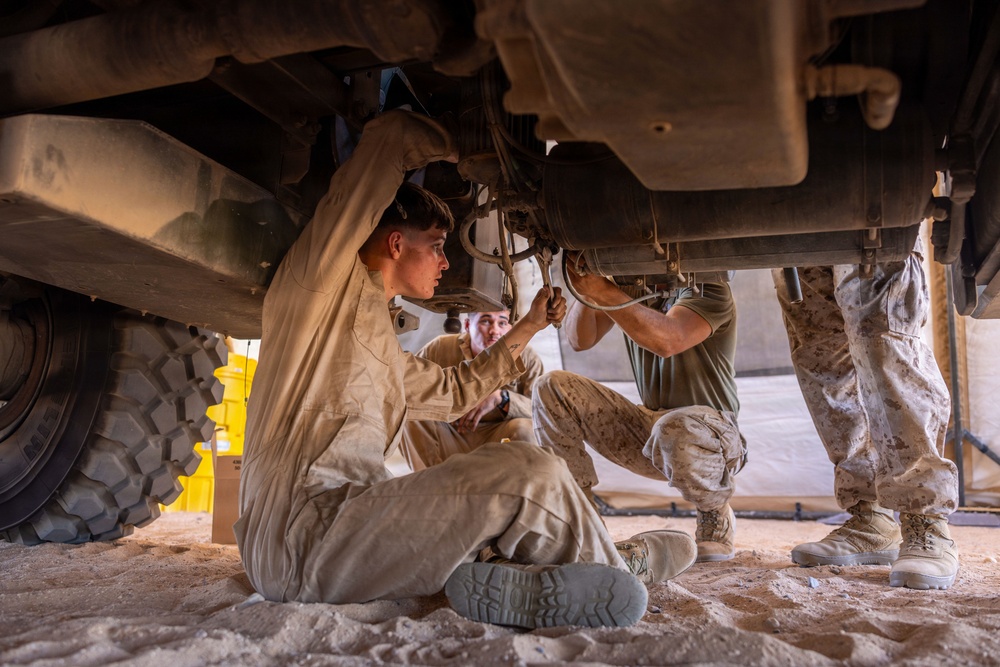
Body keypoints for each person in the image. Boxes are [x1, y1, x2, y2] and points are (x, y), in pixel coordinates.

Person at [233, 109, 697, 630]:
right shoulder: (317, 291)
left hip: (345, 528)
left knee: (514, 481)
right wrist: (471, 145)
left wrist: (527, 326)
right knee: (530, 473)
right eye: (435, 247)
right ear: (394, 244)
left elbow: (455, 393)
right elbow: (381, 155)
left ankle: (511, 573)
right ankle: (615, 571)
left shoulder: (378, 345)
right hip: (303, 539)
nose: (446, 262)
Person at [533, 257, 747, 562]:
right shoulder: (631, 287)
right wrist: (588, 285)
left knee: (674, 426)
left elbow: (668, 339)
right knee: (551, 387)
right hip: (653, 429)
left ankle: (715, 514)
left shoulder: (709, 284)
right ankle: (584, 520)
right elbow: (580, 339)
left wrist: (604, 292)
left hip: (713, 436)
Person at [772, 242, 960, 590]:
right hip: (788, 223)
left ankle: (925, 520)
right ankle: (871, 518)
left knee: (883, 337)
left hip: (866, 203)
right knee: (821, 359)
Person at [401, 309, 542, 471]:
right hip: (450, 435)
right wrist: (448, 403)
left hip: (497, 438)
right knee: (410, 414)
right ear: (468, 325)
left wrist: (502, 399)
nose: (494, 330)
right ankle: (434, 484)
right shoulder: (439, 348)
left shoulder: (527, 357)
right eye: (486, 321)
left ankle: (512, 490)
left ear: (510, 328)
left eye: (502, 323)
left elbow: (540, 412)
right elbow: (409, 391)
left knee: (525, 428)